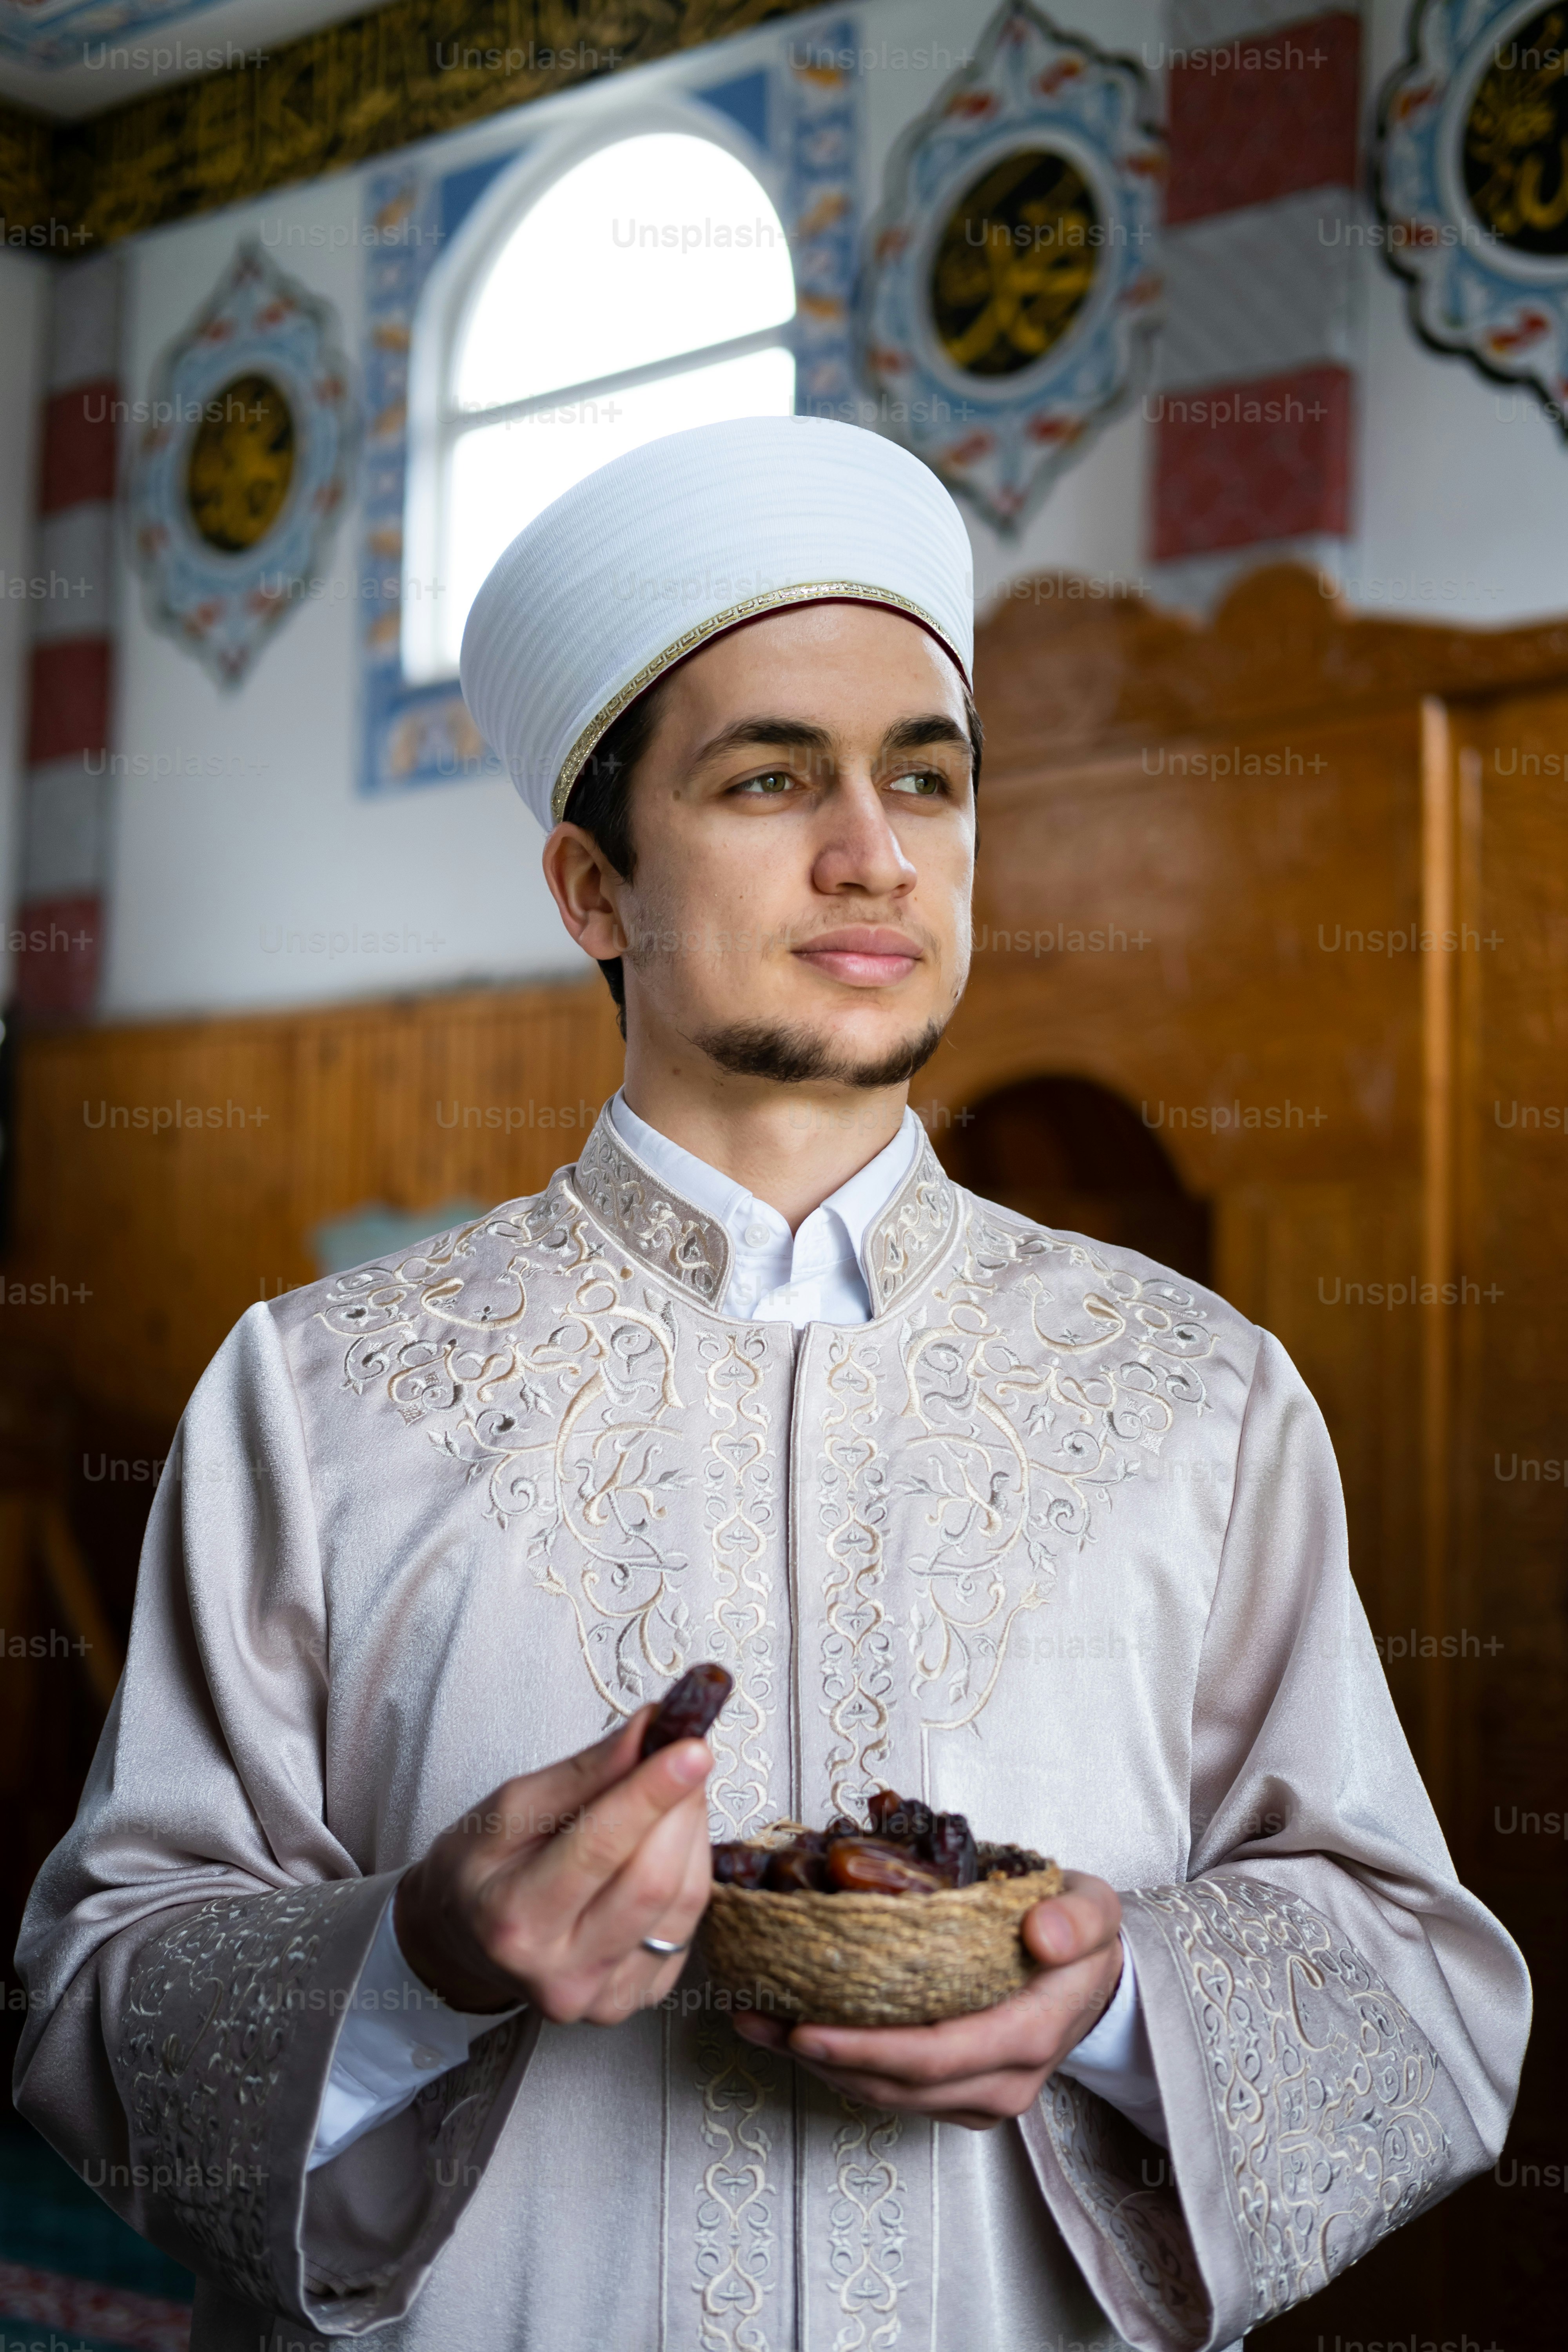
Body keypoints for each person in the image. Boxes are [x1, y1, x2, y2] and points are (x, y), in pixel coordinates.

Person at [15, 417, 1528, 2352]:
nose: (875, 852)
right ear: (592, 886)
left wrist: (1115, 1999)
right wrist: (420, 1956)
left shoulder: (1197, 1396)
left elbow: (1419, 1991)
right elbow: (92, 2009)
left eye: (927, 777)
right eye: (767, 778)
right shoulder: (322, 1398)